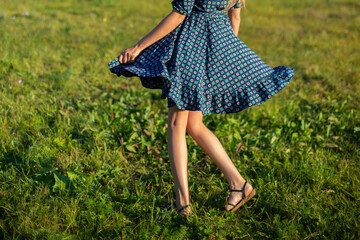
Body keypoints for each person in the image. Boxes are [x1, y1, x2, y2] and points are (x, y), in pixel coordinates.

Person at [108, 0, 294, 216]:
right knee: (193, 124)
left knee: (177, 123)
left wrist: (138, 47)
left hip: (191, 49)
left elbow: (179, 14)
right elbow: (235, 16)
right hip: (216, 45)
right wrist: (224, 57)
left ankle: (182, 204)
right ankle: (239, 184)